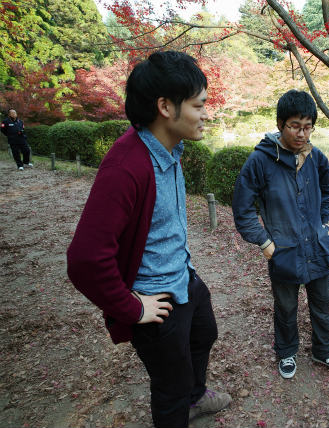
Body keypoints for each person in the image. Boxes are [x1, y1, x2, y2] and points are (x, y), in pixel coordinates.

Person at [67, 51, 231, 428]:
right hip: (155, 299)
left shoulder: (169, 149)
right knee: (171, 387)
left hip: (183, 276)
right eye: (199, 105)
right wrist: (131, 307)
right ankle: (183, 402)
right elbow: (85, 259)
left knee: (204, 333)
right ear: (165, 107)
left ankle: (195, 398)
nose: (206, 114)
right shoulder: (126, 167)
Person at [232, 89, 329, 379]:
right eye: (295, 126)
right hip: (283, 250)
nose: (302, 134)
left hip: (317, 246)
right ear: (280, 124)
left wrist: (327, 223)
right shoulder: (260, 161)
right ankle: (286, 352)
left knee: (323, 303)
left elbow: (328, 193)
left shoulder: (316, 157)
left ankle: (325, 351)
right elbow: (242, 208)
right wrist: (264, 242)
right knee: (285, 307)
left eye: (308, 127)